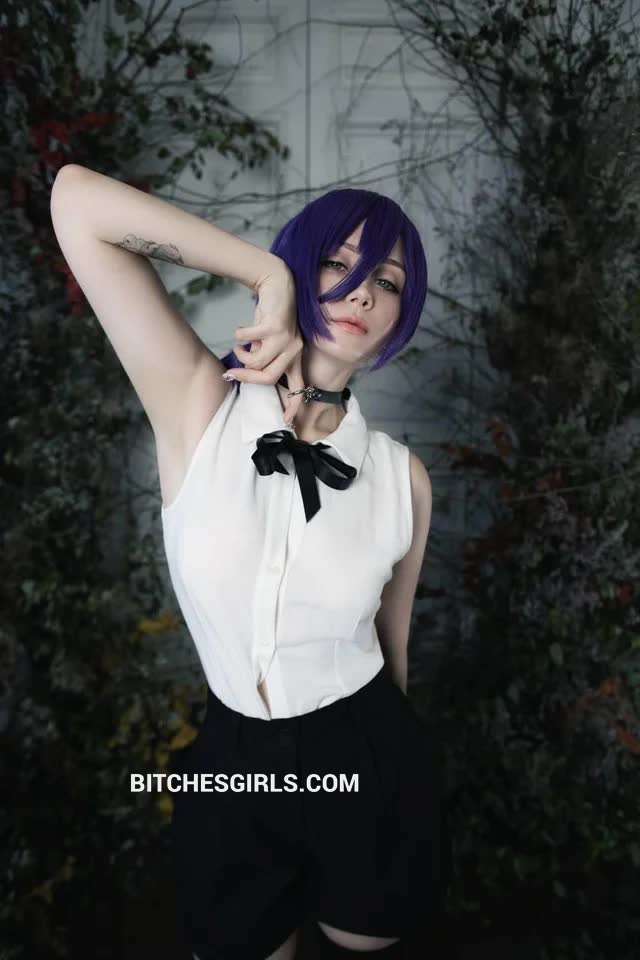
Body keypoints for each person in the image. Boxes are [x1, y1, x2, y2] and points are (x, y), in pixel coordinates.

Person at [50, 166, 445, 960]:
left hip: (368, 754)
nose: (362, 292)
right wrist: (267, 277)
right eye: (337, 263)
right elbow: (76, 202)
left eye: (388, 281)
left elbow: (392, 652)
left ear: (400, 315)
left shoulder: (403, 478)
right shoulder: (196, 402)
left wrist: (396, 777)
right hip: (234, 764)